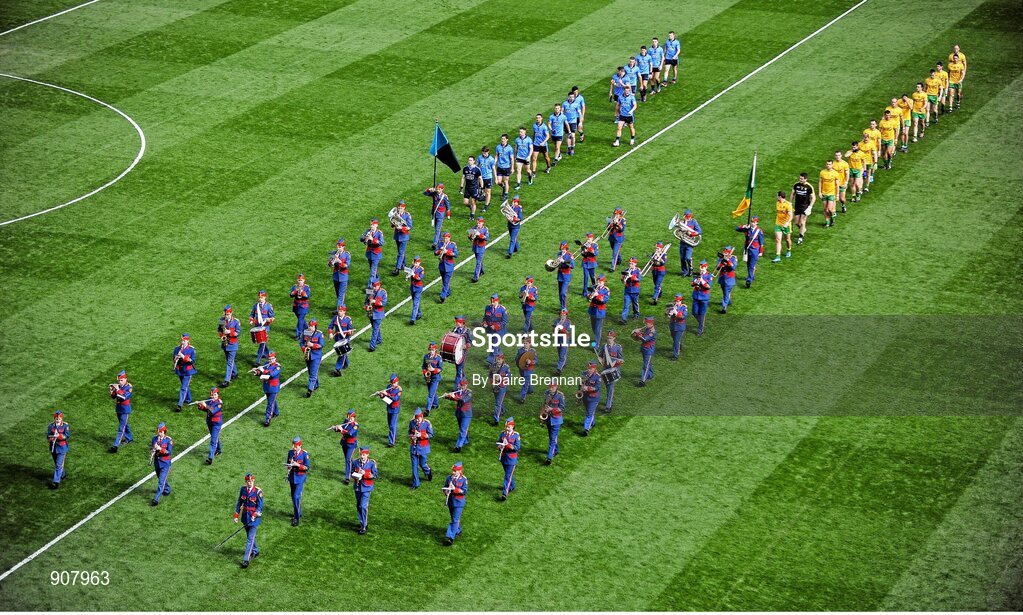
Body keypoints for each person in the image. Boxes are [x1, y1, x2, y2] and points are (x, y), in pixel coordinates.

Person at [234, 472, 263, 568]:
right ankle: (255, 550)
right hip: (245, 517)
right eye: (248, 481)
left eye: (251, 481)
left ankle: (246, 560)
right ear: (246, 482)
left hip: (254, 519)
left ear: (253, 481)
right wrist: (236, 515)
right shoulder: (243, 490)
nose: (249, 483)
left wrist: (255, 515)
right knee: (249, 536)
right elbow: (239, 503)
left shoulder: (258, 492)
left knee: (250, 539)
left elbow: (260, 506)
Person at [372, 373, 402, 447]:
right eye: (392, 383)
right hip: (389, 406)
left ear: (397, 382)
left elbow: (395, 399)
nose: (393, 384)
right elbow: (387, 400)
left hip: (395, 408)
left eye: (394, 383)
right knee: (390, 424)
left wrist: (387, 394)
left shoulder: (399, 389)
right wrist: (381, 395)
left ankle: (391, 442)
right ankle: (393, 435)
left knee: (392, 425)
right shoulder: (388, 387)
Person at [442, 462, 468, 546]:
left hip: (459, 502)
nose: (453, 472)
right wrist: (446, 491)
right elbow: (445, 487)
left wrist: (455, 489)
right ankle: (458, 530)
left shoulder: (464, 479)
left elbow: (464, 491)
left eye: (455, 471)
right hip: (450, 501)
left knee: (454, 520)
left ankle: (450, 537)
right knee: (454, 518)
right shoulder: (449, 478)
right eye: (453, 470)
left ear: (459, 471)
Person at [350, 448, 376, 534]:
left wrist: (365, 473)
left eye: (364, 455)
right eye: (361, 454)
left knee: (363, 506)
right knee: (358, 506)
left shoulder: (371, 464)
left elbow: (375, 475)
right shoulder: (355, 462)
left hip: (366, 488)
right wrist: (355, 475)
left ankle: (364, 526)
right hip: (357, 487)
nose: (362, 456)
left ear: (367, 454)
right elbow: (352, 472)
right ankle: (362, 522)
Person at [329, 410, 359, 483]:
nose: (349, 419)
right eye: (349, 417)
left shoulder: (355, 425)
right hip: (344, 443)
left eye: (351, 418)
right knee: (348, 458)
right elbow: (341, 430)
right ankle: (353, 469)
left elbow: (350, 434)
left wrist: (341, 429)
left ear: (354, 417)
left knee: (348, 459)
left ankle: (347, 478)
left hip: (351, 444)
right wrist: (335, 428)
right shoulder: (346, 421)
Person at [285, 436, 309, 526]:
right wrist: (289, 466)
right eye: (294, 446)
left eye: (296, 446)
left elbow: (307, 467)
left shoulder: (304, 454)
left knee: (296, 497)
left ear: (300, 445)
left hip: (300, 478)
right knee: (293, 497)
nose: (294, 448)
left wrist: (298, 465)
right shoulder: (290, 452)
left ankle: (296, 518)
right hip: (292, 477)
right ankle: (298, 512)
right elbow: (288, 463)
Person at [253, 351, 281, 427]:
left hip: (274, 387)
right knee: (271, 401)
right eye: (270, 359)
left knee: (270, 404)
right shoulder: (266, 364)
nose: (271, 360)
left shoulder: (277, 366)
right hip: (266, 386)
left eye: (272, 358)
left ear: (275, 358)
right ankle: (276, 412)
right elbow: (261, 373)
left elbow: (272, 374)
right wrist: (257, 372)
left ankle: (267, 419)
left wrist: (263, 370)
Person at [735, 216, 764, 288]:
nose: (752, 223)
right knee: (748, 265)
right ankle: (751, 276)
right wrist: (744, 226)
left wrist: (760, 252)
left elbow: (761, 243)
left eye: (754, 222)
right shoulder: (747, 229)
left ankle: (749, 280)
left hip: (755, 251)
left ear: (757, 222)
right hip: (747, 250)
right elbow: (737, 229)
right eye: (751, 222)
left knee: (751, 266)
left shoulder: (759, 231)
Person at [598, 330, 624, 410]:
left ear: (614, 338)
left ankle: (608, 406)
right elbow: (600, 356)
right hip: (605, 369)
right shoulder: (604, 346)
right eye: (608, 338)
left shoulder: (618, 347)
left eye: (610, 338)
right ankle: (610, 401)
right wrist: (600, 360)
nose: (609, 340)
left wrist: (619, 361)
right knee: (608, 387)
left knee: (611, 387)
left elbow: (621, 359)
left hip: (614, 370)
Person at [196, 387, 223, 464]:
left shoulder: (219, 403)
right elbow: (206, 409)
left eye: (215, 394)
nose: (213, 396)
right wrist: (200, 406)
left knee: (213, 440)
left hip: (216, 423)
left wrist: (206, 405)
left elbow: (213, 411)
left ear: (218, 394)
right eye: (212, 395)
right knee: (214, 436)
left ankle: (210, 458)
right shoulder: (210, 400)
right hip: (209, 421)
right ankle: (219, 449)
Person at [408, 408, 434, 489]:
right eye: (416, 418)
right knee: (414, 467)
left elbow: (431, 434)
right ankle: (416, 484)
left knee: (422, 464)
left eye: (418, 418)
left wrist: (421, 435)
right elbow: (410, 432)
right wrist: (412, 436)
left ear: (422, 416)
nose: (417, 420)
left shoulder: (427, 423)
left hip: (423, 448)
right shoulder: (412, 422)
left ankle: (428, 471)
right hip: (414, 447)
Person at [496, 417, 521, 500]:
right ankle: (512, 486)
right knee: (508, 474)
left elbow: (517, 447)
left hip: (511, 459)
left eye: (508, 427)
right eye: (506, 426)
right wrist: (499, 446)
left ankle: (504, 493)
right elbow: (498, 443)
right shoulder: (502, 434)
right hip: (503, 457)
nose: (507, 428)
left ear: (512, 426)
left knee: (507, 476)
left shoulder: (516, 435)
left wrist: (508, 445)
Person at [109, 369, 133, 453]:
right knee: (124, 425)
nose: (120, 382)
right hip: (118, 409)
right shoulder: (119, 386)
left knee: (121, 428)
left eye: (121, 380)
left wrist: (117, 389)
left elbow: (124, 397)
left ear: (126, 379)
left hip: (125, 410)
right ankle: (129, 438)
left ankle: (115, 446)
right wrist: (112, 390)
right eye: (119, 380)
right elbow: (113, 397)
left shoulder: (129, 387)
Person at [217, 305, 241, 388]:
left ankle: (227, 380)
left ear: (231, 313)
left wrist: (229, 332)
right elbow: (219, 330)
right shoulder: (221, 320)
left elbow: (238, 333)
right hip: (225, 344)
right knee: (229, 360)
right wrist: (221, 336)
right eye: (225, 314)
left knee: (229, 362)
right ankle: (235, 373)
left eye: (227, 314)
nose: (226, 316)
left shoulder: (236, 322)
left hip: (233, 344)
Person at [540, 383, 565, 464]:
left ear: (556, 386)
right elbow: (544, 404)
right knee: (551, 437)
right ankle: (556, 449)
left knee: (552, 439)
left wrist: (551, 409)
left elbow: (562, 408)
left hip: (556, 420)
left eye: (553, 387)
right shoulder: (547, 393)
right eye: (550, 387)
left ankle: (549, 457)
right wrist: (543, 412)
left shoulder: (560, 395)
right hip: (548, 419)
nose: (551, 388)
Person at [249, 290, 275, 364]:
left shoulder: (268, 306)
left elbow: (272, 317)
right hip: (257, 327)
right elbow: (252, 314)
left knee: (262, 342)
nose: (260, 299)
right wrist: (251, 320)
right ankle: (267, 354)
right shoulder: (255, 306)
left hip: (265, 327)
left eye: (262, 297)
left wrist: (268, 319)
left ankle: (258, 360)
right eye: (259, 297)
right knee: (263, 342)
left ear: (265, 297)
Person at [150, 422, 173, 506]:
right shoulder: (154, 439)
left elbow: (169, 452)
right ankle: (167, 489)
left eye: (159, 431)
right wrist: (152, 451)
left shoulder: (168, 440)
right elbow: (152, 448)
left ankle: (156, 499)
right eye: (158, 431)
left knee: (160, 482)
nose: (158, 433)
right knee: (161, 479)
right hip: (157, 463)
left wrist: (159, 449)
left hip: (165, 464)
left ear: (163, 432)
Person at [447, 378, 473, 452]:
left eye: (462, 385)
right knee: (462, 429)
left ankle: (458, 446)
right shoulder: (458, 391)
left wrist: (454, 397)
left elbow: (463, 400)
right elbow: (453, 398)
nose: (461, 386)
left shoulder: (469, 392)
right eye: (460, 385)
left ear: (466, 385)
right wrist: (448, 396)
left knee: (462, 430)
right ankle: (466, 440)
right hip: (459, 413)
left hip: (466, 414)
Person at [172, 333, 196, 411]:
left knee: (183, 388)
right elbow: (173, 360)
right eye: (182, 340)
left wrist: (183, 357)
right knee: (185, 386)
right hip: (180, 370)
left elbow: (192, 361)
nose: (182, 342)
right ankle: (189, 399)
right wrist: (176, 358)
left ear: (188, 340)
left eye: (184, 340)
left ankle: (180, 404)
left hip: (188, 371)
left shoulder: (191, 349)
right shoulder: (177, 349)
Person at [789, 173, 816, 245]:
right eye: (799, 178)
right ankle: (803, 229)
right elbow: (792, 194)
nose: (800, 180)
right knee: (797, 223)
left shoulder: (809, 187)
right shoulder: (796, 185)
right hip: (797, 206)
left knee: (802, 221)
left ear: (805, 179)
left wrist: (810, 207)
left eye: (801, 179)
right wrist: (790, 203)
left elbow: (813, 198)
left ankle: (800, 237)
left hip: (805, 206)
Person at [423, 183, 451, 249]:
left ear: (442, 189)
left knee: (437, 229)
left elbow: (448, 206)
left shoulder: (444, 197)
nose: (438, 190)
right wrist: (429, 190)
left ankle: (435, 243)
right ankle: (440, 240)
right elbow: (425, 193)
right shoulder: (434, 193)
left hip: (440, 214)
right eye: (437, 189)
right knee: (437, 229)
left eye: (439, 189)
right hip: (434, 213)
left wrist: (448, 214)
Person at [482, 293, 508, 364]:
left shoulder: (502, 309)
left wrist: (496, 326)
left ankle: (491, 362)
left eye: (494, 302)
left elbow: (505, 321)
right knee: (494, 344)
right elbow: (485, 317)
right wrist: (484, 323)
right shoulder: (488, 307)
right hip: (490, 330)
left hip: (498, 331)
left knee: (493, 346)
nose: (492, 303)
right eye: (491, 302)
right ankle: (500, 355)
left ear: (497, 301)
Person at [46, 410, 70, 489]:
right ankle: (62, 474)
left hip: (62, 448)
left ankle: (56, 482)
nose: (58, 420)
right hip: (53, 448)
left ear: (61, 419)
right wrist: (52, 438)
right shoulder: (51, 426)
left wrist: (59, 436)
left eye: (59, 419)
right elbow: (48, 436)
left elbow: (67, 436)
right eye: (56, 419)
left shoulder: (65, 426)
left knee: (59, 465)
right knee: (57, 464)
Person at [301, 318, 324, 397]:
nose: (310, 328)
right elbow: (301, 343)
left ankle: (309, 390)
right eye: (309, 326)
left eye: (312, 326)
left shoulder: (319, 334)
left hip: (316, 356)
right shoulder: (306, 332)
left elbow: (321, 345)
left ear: (315, 327)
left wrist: (313, 345)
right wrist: (304, 348)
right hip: (307, 355)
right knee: (311, 372)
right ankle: (316, 384)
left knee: (312, 374)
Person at [329, 304, 354, 376]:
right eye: (339, 311)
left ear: (344, 312)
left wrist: (349, 332)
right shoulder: (335, 318)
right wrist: (330, 333)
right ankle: (346, 363)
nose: (339, 312)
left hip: (345, 339)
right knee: (344, 353)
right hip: (337, 338)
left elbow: (351, 330)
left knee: (341, 354)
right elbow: (330, 327)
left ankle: (338, 369)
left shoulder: (348, 320)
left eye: (341, 311)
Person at [578, 362, 601, 436]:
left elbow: (597, 388)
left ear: (594, 369)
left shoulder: (598, 377)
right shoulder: (584, 374)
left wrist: (587, 388)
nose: (589, 370)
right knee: (589, 411)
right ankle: (592, 423)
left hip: (593, 398)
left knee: (589, 414)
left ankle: (586, 429)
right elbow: (580, 383)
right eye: (588, 368)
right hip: (585, 397)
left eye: (590, 368)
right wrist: (580, 390)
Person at [390, 200, 413, 275]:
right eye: (399, 207)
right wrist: (393, 223)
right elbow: (392, 225)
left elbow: (409, 226)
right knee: (401, 252)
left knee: (400, 253)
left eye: (401, 208)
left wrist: (401, 228)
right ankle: (403, 265)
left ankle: (397, 269)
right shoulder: (396, 214)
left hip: (404, 236)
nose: (400, 209)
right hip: (397, 236)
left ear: (404, 208)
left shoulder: (407, 215)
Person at [676, 209, 701, 276]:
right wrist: (681, 231)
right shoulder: (682, 222)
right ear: (684, 216)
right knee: (682, 258)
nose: (688, 217)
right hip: (683, 242)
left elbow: (699, 231)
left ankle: (691, 268)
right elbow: (678, 232)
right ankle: (685, 271)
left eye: (689, 216)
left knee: (687, 257)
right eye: (687, 216)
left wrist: (691, 234)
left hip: (689, 243)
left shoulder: (694, 222)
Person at [691, 260, 712, 335]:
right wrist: (696, 281)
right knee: (694, 312)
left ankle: (700, 329)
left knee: (702, 313)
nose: (701, 268)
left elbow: (708, 287)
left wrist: (702, 281)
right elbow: (692, 284)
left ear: (706, 267)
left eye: (702, 267)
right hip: (696, 296)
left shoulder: (709, 276)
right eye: (700, 267)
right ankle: (701, 323)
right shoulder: (697, 274)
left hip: (704, 297)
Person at [435, 231, 457, 304]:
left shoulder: (452, 245)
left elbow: (456, 254)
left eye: (446, 238)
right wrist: (440, 251)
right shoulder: (441, 244)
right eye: (444, 238)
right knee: (444, 281)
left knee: (446, 282)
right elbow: (435, 252)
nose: (445, 240)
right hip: (441, 266)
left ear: (449, 238)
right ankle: (448, 292)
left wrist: (447, 252)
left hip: (449, 267)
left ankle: (442, 296)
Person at [328, 238, 351, 307]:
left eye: (340, 247)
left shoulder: (347, 255)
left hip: (343, 277)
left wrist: (339, 261)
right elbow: (329, 265)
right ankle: (342, 308)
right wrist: (331, 262)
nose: (338, 248)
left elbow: (347, 266)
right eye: (338, 246)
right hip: (335, 276)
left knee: (341, 296)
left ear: (343, 247)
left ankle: (339, 312)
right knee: (338, 295)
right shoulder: (334, 253)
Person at [818, 160, 841, 228]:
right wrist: (820, 192)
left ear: (832, 165)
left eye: (830, 164)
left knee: (829, 209)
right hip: (824, 193)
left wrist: (837, 194)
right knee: (825, 209)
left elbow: (837, 185)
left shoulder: (835, 173)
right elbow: (820, 182)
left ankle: (832, 217)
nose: (828, 165)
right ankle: (827, 222)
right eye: (827, 164)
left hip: (831, 193)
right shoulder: (822, 172)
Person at [365, 279, 387, 351]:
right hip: (371, 313)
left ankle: (372, 346)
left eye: (374, 287)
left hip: (378, 313)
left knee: (375, 330)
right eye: (373, 286)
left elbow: (383, 303)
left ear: (378, 285)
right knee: (375, 327)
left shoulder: (383, 292)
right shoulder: (370, 291)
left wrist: (375, 301)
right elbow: (365, 302)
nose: (373, 288)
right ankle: (379, 339)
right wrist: (367, 307)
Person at [587, 273, 610, 343]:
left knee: (597, 329)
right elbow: (587, 296)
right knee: (594, 328)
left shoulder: (606, 290)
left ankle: (596, 345)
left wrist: (597, 295)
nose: (598, 283)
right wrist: (589, 296)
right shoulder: (593, 287)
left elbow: (604, 300)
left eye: (600, 282)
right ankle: (597, 338)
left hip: (600, 312)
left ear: (603, 282)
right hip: (592, 310)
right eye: (598, 281)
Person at [422, 341, 443, 414]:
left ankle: (427, 410)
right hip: (428, 377)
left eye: (432, 350)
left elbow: (440, 369)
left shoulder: (438, 358)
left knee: (430, 394)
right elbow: (424, 366)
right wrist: (425, 373)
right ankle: (435, 404)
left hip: (435, 378)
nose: (431, 351)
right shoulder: (426, 357)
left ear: (435, 350)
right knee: (432, 392)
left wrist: (433, 370)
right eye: (430, 350)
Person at [773, 191, 794, 262]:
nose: (776, 197)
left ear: (780, 196)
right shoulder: (777, 203)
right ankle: (778, 256)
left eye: (777, 196)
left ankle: (789, 250)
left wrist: (787, 223)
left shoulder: (788, 205)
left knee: (787, 239)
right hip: (778, 224)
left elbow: (791, 216)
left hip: (786, 225)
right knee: (778, 239)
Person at [634, 316, 657, 385]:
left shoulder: (652, 332)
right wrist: (638, 333)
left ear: (651, 323)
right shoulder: (647, 329)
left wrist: (638, 334)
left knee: (646, 365)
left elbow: (645, 339)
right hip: (644, 349)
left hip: (649, 350)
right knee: (647, 363)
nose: (645, 324)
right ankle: (650, 375)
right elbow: (641, 337)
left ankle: (643, 380)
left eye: (646, 323)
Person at [619, 257, 642, 323]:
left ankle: (636, 313)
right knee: (626, 305)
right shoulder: (626, 270)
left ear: (635, 264)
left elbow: (639, 279)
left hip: (635, 290)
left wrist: (631, 276)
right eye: (629, 263)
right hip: (627, 290)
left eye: (631, 263)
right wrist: (623, 279)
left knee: (635, 303)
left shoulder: (638, 271)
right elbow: (622, 280)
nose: (630, 265)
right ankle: (624, 319)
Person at [490, 351, 511, 425]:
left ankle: (496, 419)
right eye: (497, 359)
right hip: (495, 386)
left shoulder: (506, 367)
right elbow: (490, 375)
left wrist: (501, 379)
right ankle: (502, 411)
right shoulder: (493, 365)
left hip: (502, 387)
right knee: (498, 401)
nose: (497, 360)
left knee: (497, 403)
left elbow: (508, 377)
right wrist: (492, 382)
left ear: (502, 359)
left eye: (499, 359)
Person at [515, 338, 537, 404]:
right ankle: (530, 390)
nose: (525, 345)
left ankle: (522, 397)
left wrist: (531, 362)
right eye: (524, 343)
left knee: (525, 383)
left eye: (526, 343)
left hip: (529, 370)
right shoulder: (520, 350)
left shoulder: (533, 351)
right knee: (526, 381)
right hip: (521, 369)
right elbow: (516, 358)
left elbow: (536, 360)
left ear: (530, 344)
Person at [289, 273, 311, 338]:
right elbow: (291, 295)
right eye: (299, 280)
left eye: (301, 280)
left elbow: (308, 296)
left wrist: (303, 293)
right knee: (300, 319)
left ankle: (298, 334)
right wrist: (294, 292)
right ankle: (307, 329)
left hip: (303, 306)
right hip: (296, 305)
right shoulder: (294, 286)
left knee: (300, 320)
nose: (300, 281)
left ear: (304, 280)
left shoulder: (307, 287)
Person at [717, 246, 738, 314]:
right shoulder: (721, 258)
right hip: (722, 278)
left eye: (726, 252)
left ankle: (724, 307)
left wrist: (728, 261)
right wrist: (721, 263)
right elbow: (717, 267)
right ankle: (728, 301)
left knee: (726, 293)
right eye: (724, 252)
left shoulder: (733, 258)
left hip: (729, 279)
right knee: (725, 292)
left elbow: (733, 267)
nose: (724, 253)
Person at [452, 315, 472, 383]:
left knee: (459, 368)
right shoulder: (455, 329)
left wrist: (466, 346)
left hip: (463, 353)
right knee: (458, 368)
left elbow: (470, 342)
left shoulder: (467, 331)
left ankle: (457, 387)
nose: (457, 323)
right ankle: (463, 379)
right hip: (456, 352)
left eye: (459, 322)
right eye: (456, 322)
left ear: (462, 323)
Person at [554, 241, 575, 311]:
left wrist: (564, 261)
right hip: (560, 275)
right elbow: (556, 264)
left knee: (563, 292)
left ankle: (564, 307)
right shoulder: (558, 254)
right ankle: (561, 305)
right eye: (561, 249)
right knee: (560, 292)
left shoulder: (569, 255)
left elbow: (572, 266)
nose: (562, 250)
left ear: (566, 248)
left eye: (564, 249)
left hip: (566, 276)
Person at [666, 295, 688, 360]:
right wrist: (669, 312)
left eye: (678, 301)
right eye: (675, 301)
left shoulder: (684, 308)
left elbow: (683, 317)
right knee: (674, 339)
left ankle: (675, 355)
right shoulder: (672, 306)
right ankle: (679, 345)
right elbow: (667, 314)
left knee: (676, 341)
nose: (676, 302)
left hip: (679, 327)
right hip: (672, 326)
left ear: (681, 301)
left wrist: (676, 313)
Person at [530, 113, 552, 178]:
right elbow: (534, 134)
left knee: (546, 157)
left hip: (543, 145)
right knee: (534, 158)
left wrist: (543, 142)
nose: (537, 119)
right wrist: (532, 141)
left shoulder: (544, 127)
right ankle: (533, 172)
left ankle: (548, 166)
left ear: (541, 118)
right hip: (536, 144)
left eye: (539, 118)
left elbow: (548, 136)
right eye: (537, 118)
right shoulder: (534, 125)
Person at [469, 217, 489, 283]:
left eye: (479, 223)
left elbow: (487, 238)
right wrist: (470, 235)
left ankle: (476, 277)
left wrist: (479, 235)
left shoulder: (485, 229)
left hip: (481, 247)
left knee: (478, 262)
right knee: (479, 261)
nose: (478, 224)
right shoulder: (474, 228)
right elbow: (470, 237)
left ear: (482, 223)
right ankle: (482, 271)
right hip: (475, 246)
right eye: (477, 223)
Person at [552, 308, 572, 376]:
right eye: (561, 315)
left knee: (562, 355)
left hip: (565, 339)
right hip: (558, 338)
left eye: (564, 315)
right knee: (559, 352)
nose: (562, 316)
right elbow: (553, 330)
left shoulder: (568, 322)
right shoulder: (557, 321)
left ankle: (559, 369)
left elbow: (568, 331)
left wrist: (562, 329)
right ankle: (564, 362)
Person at [495, 135, 514, 200]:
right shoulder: (498, 147)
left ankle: (505, 194)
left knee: (506, 181)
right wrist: (494, 163)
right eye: (502, 139)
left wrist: (512, 168)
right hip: (500, 166)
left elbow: (512, 159)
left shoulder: (510, 148)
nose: (502, 140)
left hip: (507, 167)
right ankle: (503, 186)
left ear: (507, 139)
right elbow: (497, 155)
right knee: (498, 181)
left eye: (503, 139)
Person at [563, 91, 582, 156]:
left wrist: (580, 122)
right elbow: (562, 111)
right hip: (566, 122)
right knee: (568, 136)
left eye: (572, 97)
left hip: (573, 122)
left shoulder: (576, 104)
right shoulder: (565, 103)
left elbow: (579, 113)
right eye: (570, 97)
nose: (571, 98)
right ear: (568, 97)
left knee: (573, 136)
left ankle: (572, 148)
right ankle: (569, 148)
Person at [407, 255, 425, 324]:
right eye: (414, 262)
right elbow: (409, 274)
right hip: (412, 287)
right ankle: (419, 313)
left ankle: (413, 319)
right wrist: (408, 276)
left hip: (418, 288)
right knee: (416, 301)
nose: (415, 263)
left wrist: (413, 274)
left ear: (418, 262)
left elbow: (419, 278)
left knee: (415, 303)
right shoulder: (412, 267)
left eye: (416, 262)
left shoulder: (421, 269)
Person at [477, 146, 496, 212]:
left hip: (488, 177)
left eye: (485, 153)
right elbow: (477, 166)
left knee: (488, 192)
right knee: (480, 193)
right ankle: (486, 199)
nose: (483, 154)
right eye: (483, 153)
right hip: (481, 178)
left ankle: (486, 206)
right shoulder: (479, 157)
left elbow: (493, 169)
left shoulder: (491, 159)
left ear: (488, 152)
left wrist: (495, 178)